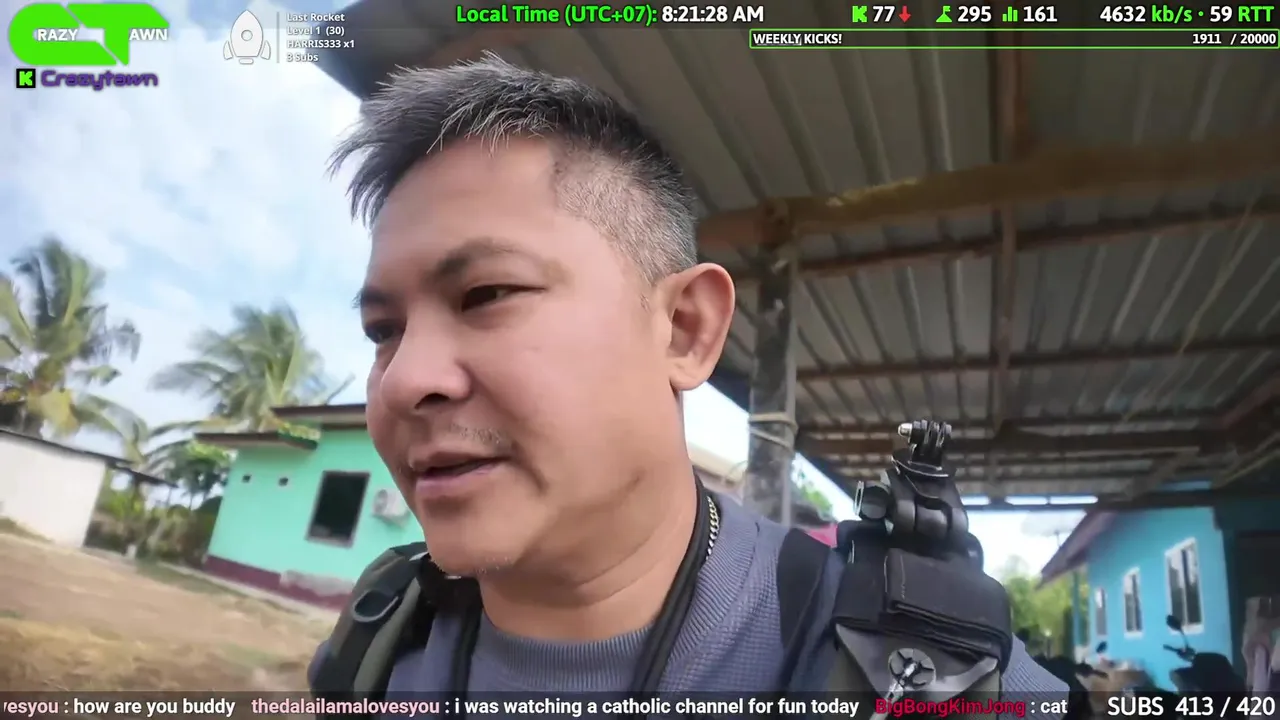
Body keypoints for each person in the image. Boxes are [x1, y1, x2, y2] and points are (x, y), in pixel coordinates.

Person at [309, 54, 1068, 712]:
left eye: (486, 294)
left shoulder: (930, 676)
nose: (404, 380)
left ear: (684, 329)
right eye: (384, 331)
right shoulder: (379, 643)